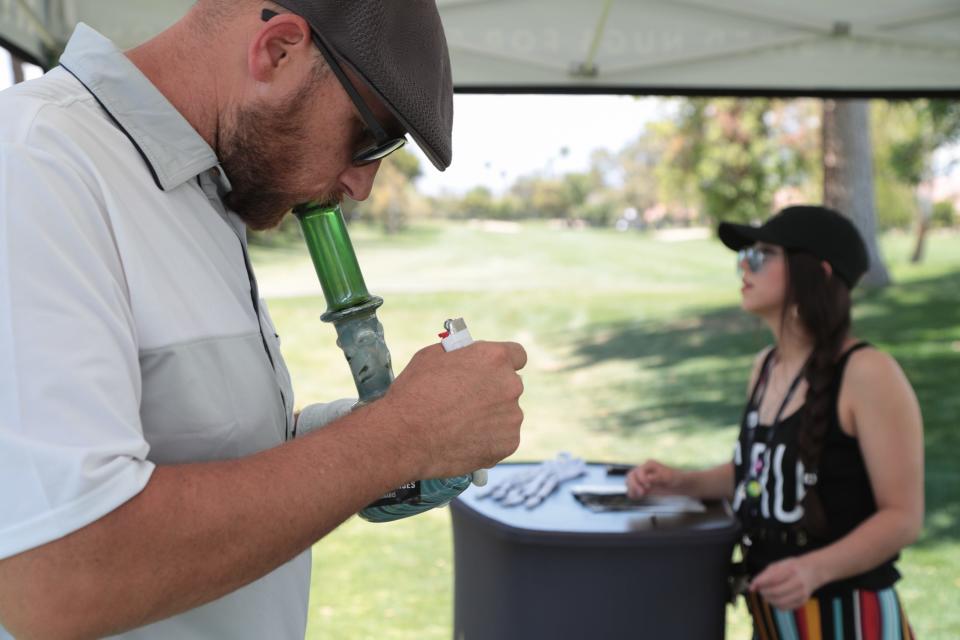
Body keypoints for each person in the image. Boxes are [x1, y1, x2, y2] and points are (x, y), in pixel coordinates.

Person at [0, 1, 526, 638]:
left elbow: (193, 445)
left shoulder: (201, 189)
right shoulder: (35, 163)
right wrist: (398, 437)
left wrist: (374, 431)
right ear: (276, 51)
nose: (362, 185)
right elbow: (55, 577)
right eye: (370, 140)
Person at [627, 206, 923, 639]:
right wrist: (680, 483)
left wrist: (813, 569)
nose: (744, 266)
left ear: (818, 274)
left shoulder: (867, 372)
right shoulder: (765, 367)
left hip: (850, 622)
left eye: (763, 254)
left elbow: (902, 517)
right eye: (745, 254)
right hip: (773, 622)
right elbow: (761, 474)